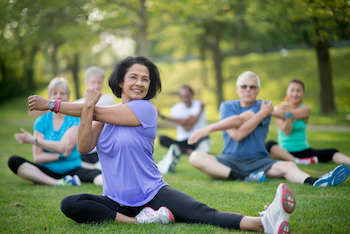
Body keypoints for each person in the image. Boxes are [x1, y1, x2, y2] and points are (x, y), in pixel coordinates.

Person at [28, 56, 296, 233]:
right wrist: (87, 108)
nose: (140, 83)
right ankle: (137, 221)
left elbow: (99, 112)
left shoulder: (145, 110)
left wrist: (53, 104)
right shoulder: (99, 114)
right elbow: (85, 147)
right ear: (120, 81)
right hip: (116, 201)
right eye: (133, 77)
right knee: (70, 203)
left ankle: (263, 222)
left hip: (153, 193)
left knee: (201, 213)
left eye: (145, 79)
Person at [188, 71, 349, 187]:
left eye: (252, 87)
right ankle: (245, 177)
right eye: (244, 86)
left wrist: (276, 111)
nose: (248, 90)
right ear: (237, 89)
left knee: (289, 166)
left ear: (258, 90)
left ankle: (316, 182)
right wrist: (263, 113)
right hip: (229, 160)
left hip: (259, 162)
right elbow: (237, 131)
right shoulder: (227, 106)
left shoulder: (264, 105)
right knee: (195, 157)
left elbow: (282, 119)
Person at [8, 77, 103, 186]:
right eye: (55, 93)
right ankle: (58, 183)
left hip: (72, 168)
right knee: (14, 161)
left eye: (62, 93)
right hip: (47, 170)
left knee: (97, 175)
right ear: (49, 97)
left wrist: (33, 140)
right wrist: (61, 156)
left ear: (68, 97)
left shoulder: (75, 119)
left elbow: (62, 146)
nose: (58, 96)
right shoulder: (41, 121)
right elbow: (38, 158)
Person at [265, 78, 350, 166]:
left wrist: (282, 112)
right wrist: (284, 112)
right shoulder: (279, 109)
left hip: (304, 151)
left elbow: (280, 113)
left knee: (332, 152)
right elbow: (287, 131)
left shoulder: (306, 109)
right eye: (292, 90)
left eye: (298, 91)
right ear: (287, 92)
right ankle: (297, 161)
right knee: (269, 144)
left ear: (303, 93)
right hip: (284, 152)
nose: (295, 94)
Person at [157, 85, 211, 174]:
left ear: (192, 95)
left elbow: (188, 125)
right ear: (179, 97)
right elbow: (186, 127)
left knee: (205, 137)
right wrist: (200, 111)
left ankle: (192, 152)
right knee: (162, 138)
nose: (185, 99)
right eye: (182, 97)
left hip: (197, 138)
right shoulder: (176, 108)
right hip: (183, 141)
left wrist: (163, 117)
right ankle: (192, 152)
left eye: (187, 96)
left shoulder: (199, 104)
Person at [75, 66, 115, 170]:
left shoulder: (108, 99)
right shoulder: (77, 103)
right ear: (86, 83)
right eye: (93, 82)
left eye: (99, 82)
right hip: (83, 150)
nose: (96, 86)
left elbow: (88, 105)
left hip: (101, 150)